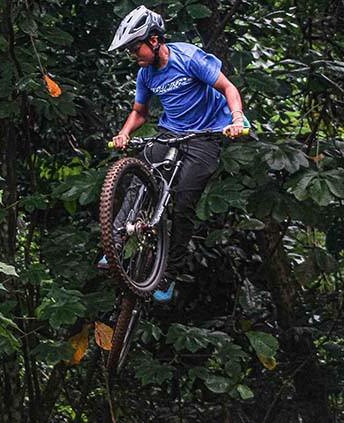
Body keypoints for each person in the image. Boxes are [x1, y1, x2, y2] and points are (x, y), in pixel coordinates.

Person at [101, 5, 249, 302]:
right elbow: (140, 112)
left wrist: (236, 119)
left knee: (183, 205)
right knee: (139, 177)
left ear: (154, 41)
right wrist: (124, 133)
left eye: (135, 48)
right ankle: (114, 243)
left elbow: (228, 88)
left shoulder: (189, 58)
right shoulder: (146, 75)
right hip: (171, 132)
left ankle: (168, 274)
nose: (133, 55)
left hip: (206, 135)